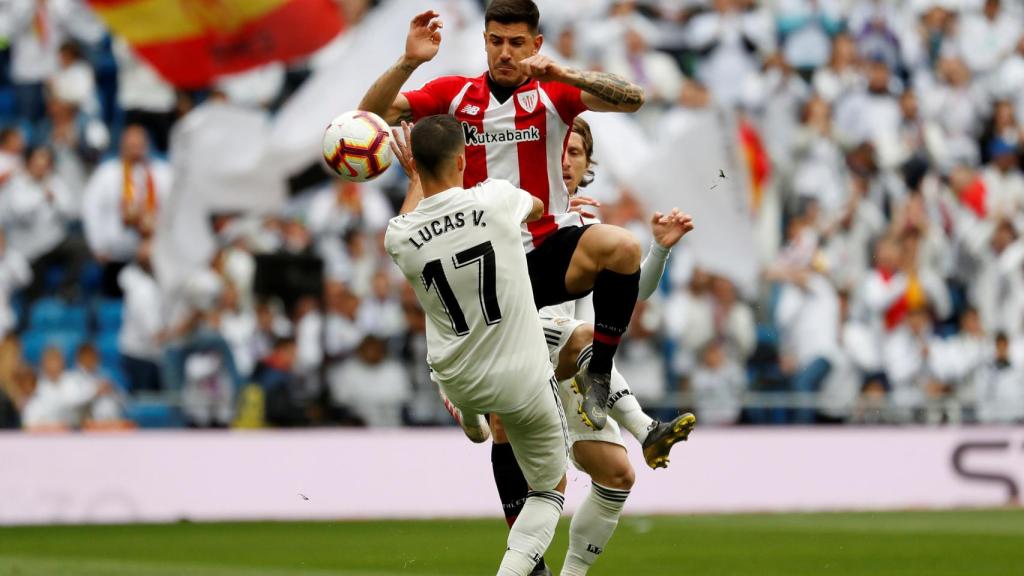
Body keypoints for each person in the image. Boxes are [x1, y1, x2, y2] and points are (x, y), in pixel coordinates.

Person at [393, 116, 696, 575]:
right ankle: (643, 428)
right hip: (521, 352)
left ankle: (566, 571)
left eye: (576, 153)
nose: (565, 160)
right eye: (558, 150)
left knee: (618, 476)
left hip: (561, 374)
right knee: (552, 373)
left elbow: (635, 290)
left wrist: (659, 250)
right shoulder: (495, 204)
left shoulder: (586, 223)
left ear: (588, 163)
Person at [360, 0, 647, 432]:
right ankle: (463, 396)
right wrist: (408, 61)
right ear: (485, 42)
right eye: (496, 41)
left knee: (624, 248)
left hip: (550, 246)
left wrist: (565, 73)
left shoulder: (554, 93)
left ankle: (600, 373)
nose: (505, 53)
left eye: (516, 43)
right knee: (506, 422)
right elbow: (371, 117)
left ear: (537, 44)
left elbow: (633, 99)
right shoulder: (454, 94)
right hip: (490, 263)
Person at [384, 115, 566, 576]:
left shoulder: (399, 236)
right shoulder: (497, 197)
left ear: (416, 168)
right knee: (549, 491)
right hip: (522, 382)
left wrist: (416, 182)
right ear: (463, 159)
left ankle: (467, 417)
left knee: (453, 355)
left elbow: (410, 217)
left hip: (462, 380)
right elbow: (541, 208)